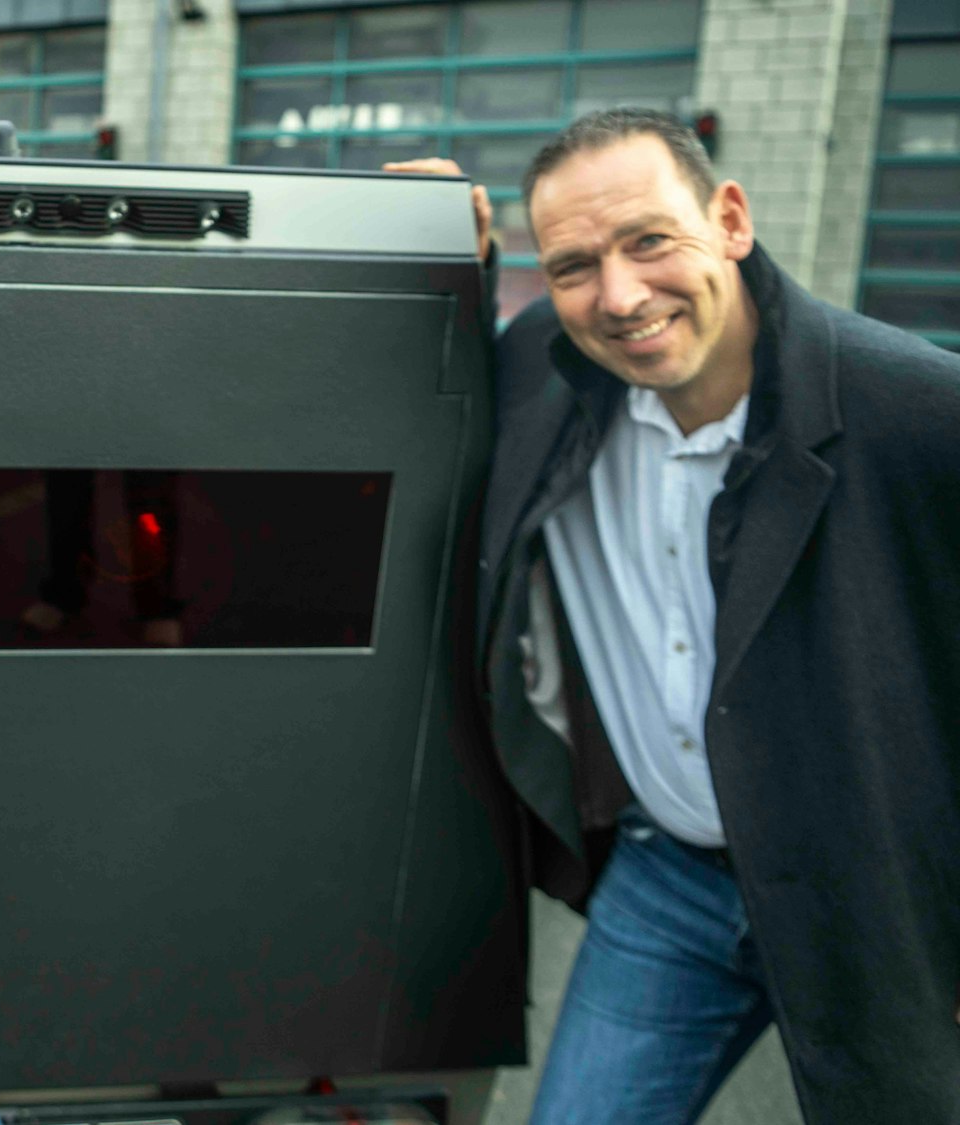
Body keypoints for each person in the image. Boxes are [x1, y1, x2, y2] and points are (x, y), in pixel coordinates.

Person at [397, 109, 960, 1120]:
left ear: (730, 220)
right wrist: (427, 246)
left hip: (878, 902)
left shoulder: (918, 416)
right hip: (669, 886)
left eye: (647, 241)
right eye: (571, 266)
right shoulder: (542, 369)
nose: (617, 297)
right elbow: (416, 388)